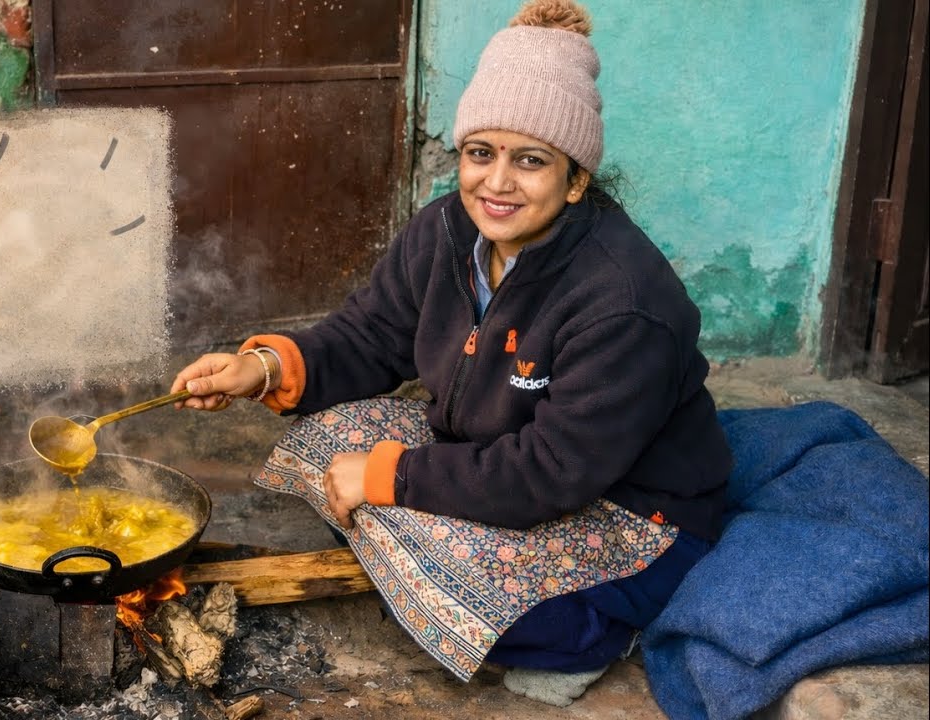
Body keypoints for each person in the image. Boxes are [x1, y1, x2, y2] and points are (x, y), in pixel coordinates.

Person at [171, 0, 732, 705]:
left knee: (442, 579)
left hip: (627, 512)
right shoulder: (444, 230)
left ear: (577, 177)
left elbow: (552, 473)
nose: (496, 183)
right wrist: (262, 369)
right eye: (480, 153)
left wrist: (392, 480)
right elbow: (370, 334)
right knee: (324, 444)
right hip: (491, 445)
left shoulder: (625, 302)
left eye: (530, 161)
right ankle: (422, 540)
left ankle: (587, 636)